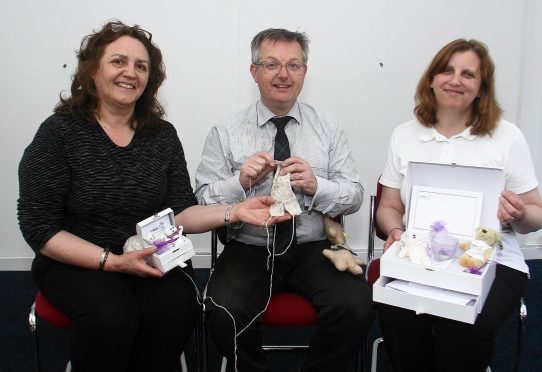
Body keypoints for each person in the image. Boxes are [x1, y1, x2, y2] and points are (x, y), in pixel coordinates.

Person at [17, 20, 288, 372]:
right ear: (92, 70)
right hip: (79, 261)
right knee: (111, 314)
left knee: (179, 306)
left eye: (141, 66)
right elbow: (39, 226)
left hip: (149, 257)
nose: (131, 73)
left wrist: (235, 211)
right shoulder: (58, 133)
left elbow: (182, 212)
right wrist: (111, 262)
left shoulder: (160, 135)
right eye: (119, 62)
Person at [195, 28, 373, 372]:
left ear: (304, 72)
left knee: (356, 308)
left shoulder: (329, 128)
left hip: (315, 247)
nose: (283, 74)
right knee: (221, 311)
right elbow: (201, 201)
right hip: (250, 245)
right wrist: (240, 182)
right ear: (254, 72)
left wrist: (317, 186)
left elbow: (354, 196)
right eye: (272, 64)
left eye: (293, 65)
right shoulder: (225, 130)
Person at [376, 38, 542, 371]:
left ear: (482, 88)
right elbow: (389, 206)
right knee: (397, 316)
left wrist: (520, 214)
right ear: (432, 79)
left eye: (468, 74)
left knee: (461, 331)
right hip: (420, 256)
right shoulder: (404, 135)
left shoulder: (506, 137)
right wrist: (395, 229)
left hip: (496, 260)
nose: (455, 80)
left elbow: (535, 214)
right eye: (447, 70)